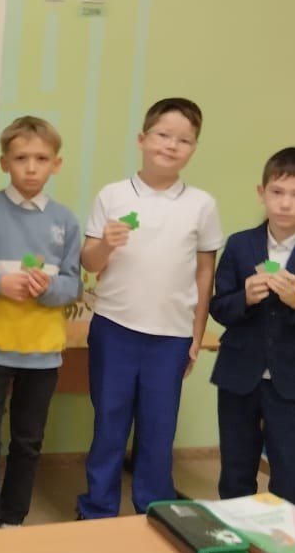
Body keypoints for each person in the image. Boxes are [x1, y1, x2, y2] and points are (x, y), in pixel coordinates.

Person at [75, 97, 222, 519]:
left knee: (158, 429)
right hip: (114, 329)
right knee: (109, 424)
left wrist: (196, 335)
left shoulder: (202, 205)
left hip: (171, 336)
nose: (171, 145)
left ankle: (154, 507)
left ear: (193, 149)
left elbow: (205, 274)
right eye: (162, 135)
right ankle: (98, 507)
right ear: (142, 139)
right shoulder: (113, 195)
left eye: (184, 140)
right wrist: (105, 244)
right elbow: (89, 263)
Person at [209, 147, 295, 510]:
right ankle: (234, 534)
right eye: (277, 192)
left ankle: (290, 540)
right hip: (239, 375)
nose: (285, 203)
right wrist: (244, 298)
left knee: (291, 476)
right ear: (262, 193)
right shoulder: (240, 244)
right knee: (235, 471)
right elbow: (219, 307)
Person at [0, 116, 81, 529]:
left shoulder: (65, 221)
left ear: (56, 165)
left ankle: (13, 519)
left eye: (42, 159)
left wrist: (47, 288)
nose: (31, 167)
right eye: (21, 158)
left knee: (27, 443)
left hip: (42, 351)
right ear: (3, 162)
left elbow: (73, 286)